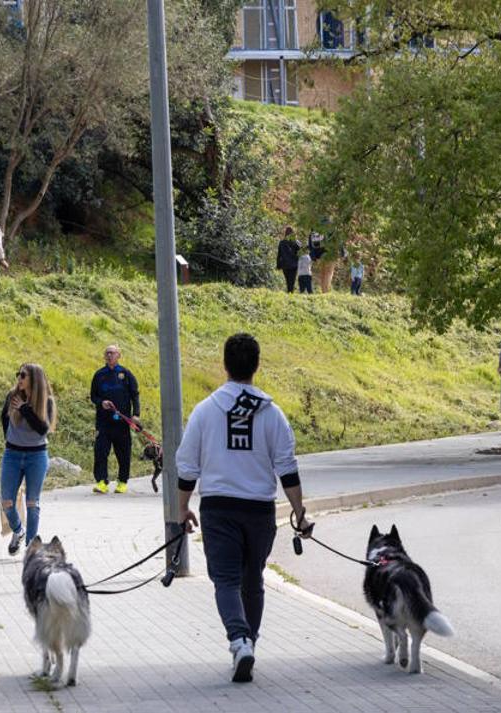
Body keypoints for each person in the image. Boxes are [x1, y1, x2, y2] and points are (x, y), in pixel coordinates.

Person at [175, 333, 314, 684]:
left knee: (225, 579)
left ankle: (239, 641)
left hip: (219, 508)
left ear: (224, 365)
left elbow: (187, 466)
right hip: (259, 511)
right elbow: (287, 467)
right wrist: (299, 512)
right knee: (252, 580)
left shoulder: (205, 411)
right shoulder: (272, 413)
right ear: (257, 366)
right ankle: (249, 641)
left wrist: (182, 509)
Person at [1, 363, 58, 555]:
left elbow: (43, 429)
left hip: (37, 455)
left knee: (32, 503)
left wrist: (25, 409)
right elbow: (3, 418)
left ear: (34, 378)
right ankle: (18, 530)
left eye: (23, 375)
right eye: (18, 374)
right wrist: (10, 439)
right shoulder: (13, 396)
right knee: (7, 501)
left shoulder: (46, 401)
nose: (19, 378)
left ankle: (31, 549)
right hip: (12, 455)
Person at [89, 344, 140, 494]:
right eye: (107, 353)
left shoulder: (125, 374)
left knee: (123, 453)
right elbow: (93, 396)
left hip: (122, 422)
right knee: (100, 451)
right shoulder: (99, 375)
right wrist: (101, 403)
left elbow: (135, 395)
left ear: (119, 356)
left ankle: (122, 481)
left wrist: (136, 414)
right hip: (104, 421)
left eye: (113, 353)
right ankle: (101, 482)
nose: (110, 355)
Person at [275, 226, 300, 293]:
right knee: (292, 281)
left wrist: (278, 265)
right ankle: (291, 294)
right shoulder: (295, 242)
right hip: (294, 265)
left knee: (288, 281)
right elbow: (301, 251)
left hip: (285, 265)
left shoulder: (282, 243)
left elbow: (279, 255)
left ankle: (289, 293)